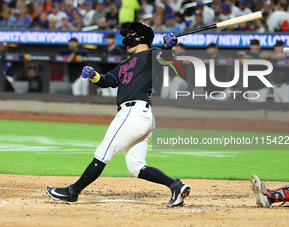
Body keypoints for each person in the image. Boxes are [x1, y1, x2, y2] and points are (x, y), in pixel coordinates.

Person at [46, 22, 190, 207]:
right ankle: (175, 185)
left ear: (140, 38)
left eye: (130, 34)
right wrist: (94, 75)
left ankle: (72, 192)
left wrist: (169, 47)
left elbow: (165, 60)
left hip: (133, 113)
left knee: (103, 153)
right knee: (136, 167)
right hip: (141, 116)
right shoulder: (125, 63)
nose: (126, 37)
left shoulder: (153, 54)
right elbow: (107, 81)